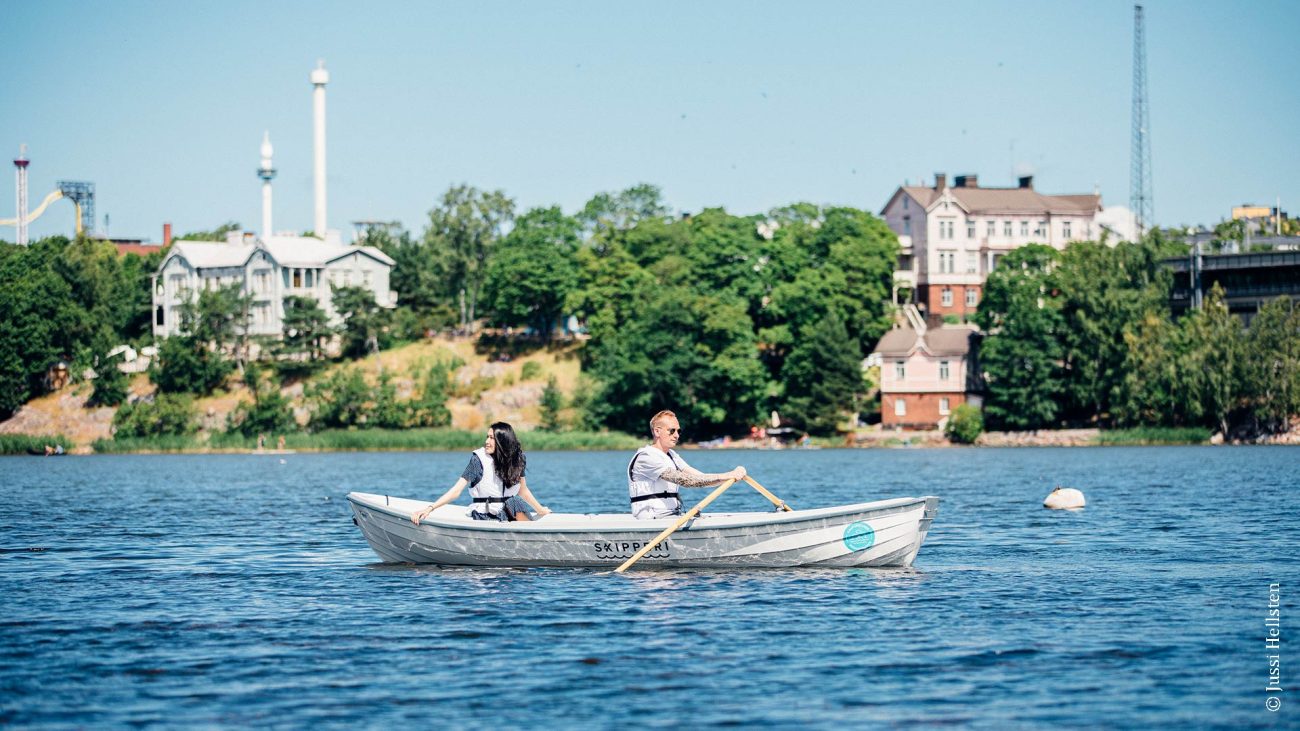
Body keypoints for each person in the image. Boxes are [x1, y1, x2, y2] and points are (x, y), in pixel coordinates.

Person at [411, 422, 551, 524]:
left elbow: (523, 490)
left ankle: (526, 541)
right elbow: (456, 491)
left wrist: (540, 510)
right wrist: (430, 508)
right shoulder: (477, 460)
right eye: (487, 437)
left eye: (491, 438)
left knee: (515, 501)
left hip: (509, 511)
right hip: (486, 514)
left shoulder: (518, 459)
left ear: (502, 441)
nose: (486, 442)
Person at [627, 410, 746, 519]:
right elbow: (688, 481)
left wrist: (732, 477)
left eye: (678, 431)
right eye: (672, 431)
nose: (677, 435)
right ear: (657, 431)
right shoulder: (646, 457)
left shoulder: (672, 455)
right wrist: (727, 475)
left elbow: (701, 478)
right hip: (651, 520)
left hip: (670, 517)